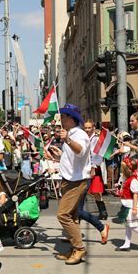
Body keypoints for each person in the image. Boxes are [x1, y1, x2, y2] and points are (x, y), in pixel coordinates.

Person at [49, 104, 91, 265]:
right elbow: (73, 159)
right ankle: (74, 248)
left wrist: (67, 139)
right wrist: (58, 156)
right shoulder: (72, 134)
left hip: (76, 181)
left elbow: (80, 150)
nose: (61, 120)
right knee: (72, 217)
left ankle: (79, 248)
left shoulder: (78, 134)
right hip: (69, 179)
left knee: (63, 215)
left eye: (64, 117)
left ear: (71, 119)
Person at [83, 120, 108, 219]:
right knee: (86, 191)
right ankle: (82, 212)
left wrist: (93, 167)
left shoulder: (95, 139)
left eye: (89, 128)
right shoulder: (85, 138)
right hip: (85, 167)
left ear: (93, 127)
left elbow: (97, 155)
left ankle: (103, 213)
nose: (87, 130)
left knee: (96, 191)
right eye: (86, 128)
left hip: (94, 167)